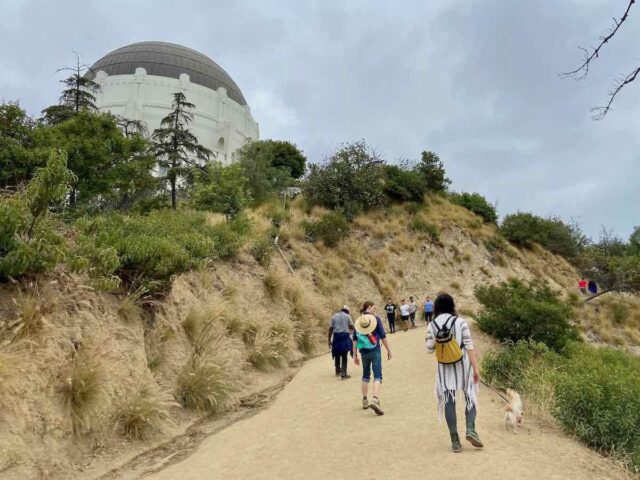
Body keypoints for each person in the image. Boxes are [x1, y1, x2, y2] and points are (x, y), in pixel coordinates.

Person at [425, 293, 483, 453]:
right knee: (470, 396)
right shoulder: (461, 322)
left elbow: (429, 349)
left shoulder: (432, 325)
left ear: (436, 307)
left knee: (449, 400)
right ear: (451, 305)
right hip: (463, 365)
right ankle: (471, 429)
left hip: (444, 367)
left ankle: (455, 441)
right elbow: (469, 346)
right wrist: (476, 368)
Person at [353, 301, 392, 415]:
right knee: (378, 375)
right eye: (374, 307)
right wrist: (388, 350)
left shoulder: (359, 321)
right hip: (375, 350)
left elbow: (355, 339)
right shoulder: (376, 319)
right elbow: (383, 336)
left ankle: (365, 400)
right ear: (369, 307)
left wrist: (355, 355)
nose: (375, 308)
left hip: (363, 351)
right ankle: (375, 399)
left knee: (365, 375)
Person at [328, 305, 354, 379]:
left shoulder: (334, 316)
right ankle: (344, 374)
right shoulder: (347, 316)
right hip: (344, 336)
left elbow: (330, 329)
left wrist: (329, 340)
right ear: (347, 311)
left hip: (336, 337)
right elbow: (352, 326)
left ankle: (337, 370)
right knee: (344, 355)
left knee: (337, 353)